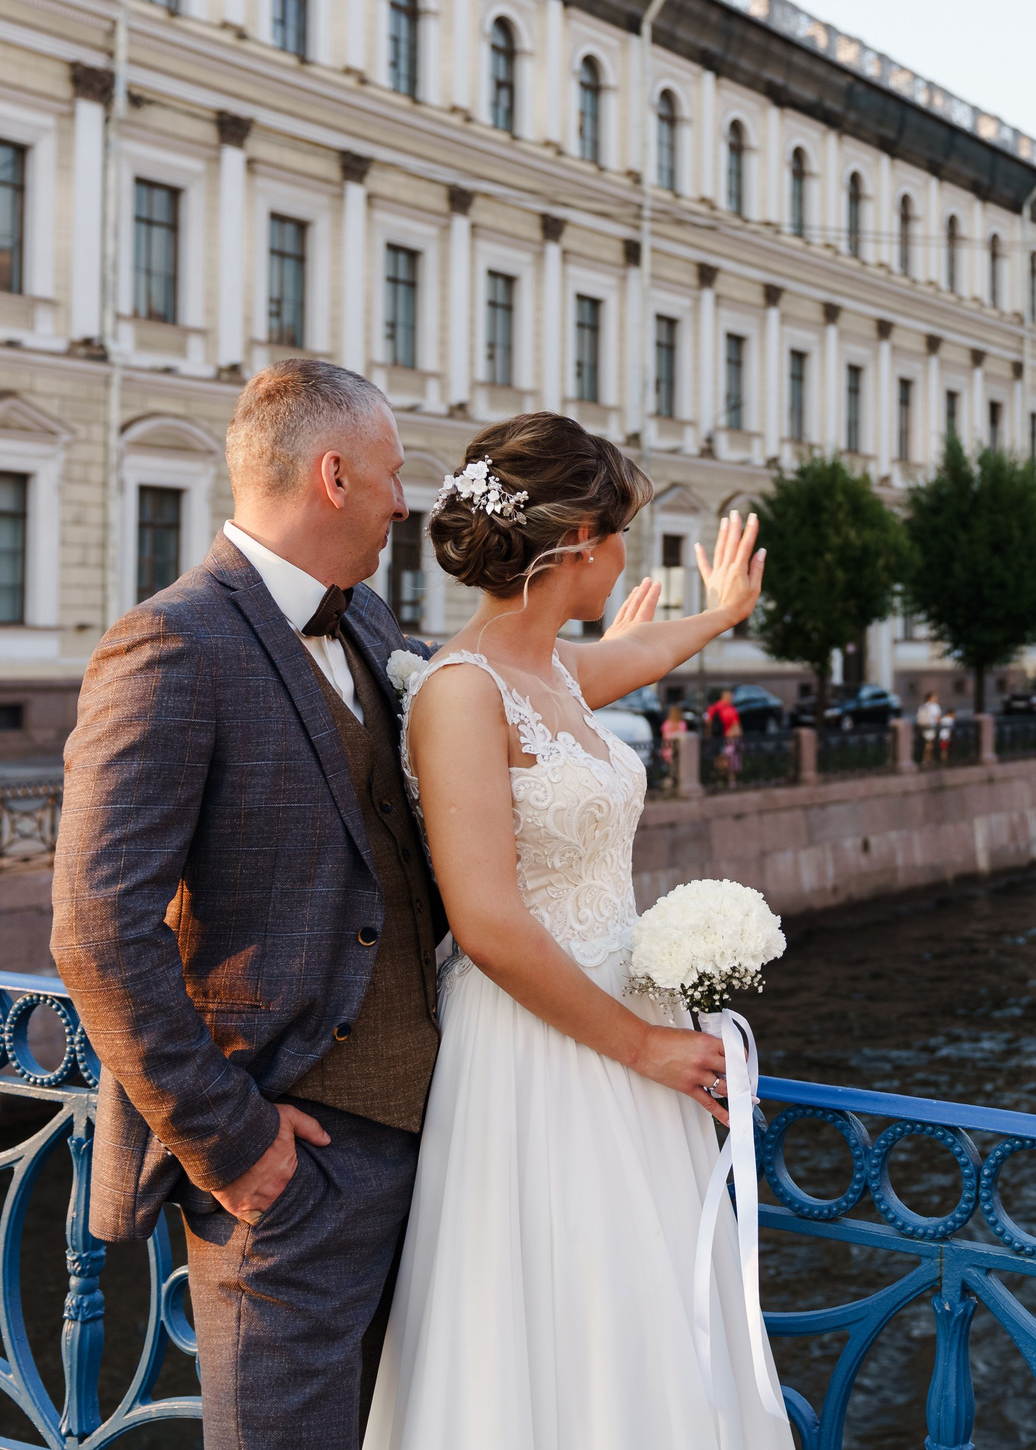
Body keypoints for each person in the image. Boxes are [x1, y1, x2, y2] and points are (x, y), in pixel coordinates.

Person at [369, 413, 789, 1450]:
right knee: (561, 1312)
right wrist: (645, 1044)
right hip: (539, 1046)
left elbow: (633, 652)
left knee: (644, 1308)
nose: (624, 556)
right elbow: (490, 922)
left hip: (620, 1029)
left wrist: (722, 614)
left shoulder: (548, 676)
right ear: (572, 546)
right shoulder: (461, 695)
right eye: (617, 534)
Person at [53, 360, 444, 1450]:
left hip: (428, 1152)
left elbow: (489, 702)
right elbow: (96, 930)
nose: (401, 502)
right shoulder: (171, 643)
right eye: (391, 475)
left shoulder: (368, 621)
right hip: (287, 1173)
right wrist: (235, 1143)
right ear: (332, 475)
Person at [708, 685, 743, 782]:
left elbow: (708, 722)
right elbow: (736, 725)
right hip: (728, 738)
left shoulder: (714, 707)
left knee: (718, 759)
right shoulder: (731, 710)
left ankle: (719, 779)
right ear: (727, 698)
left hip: (716, 737)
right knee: (729, 759)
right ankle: (730, 779)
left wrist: (709, 735)